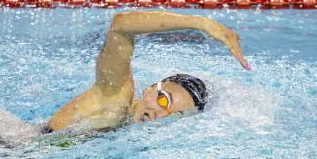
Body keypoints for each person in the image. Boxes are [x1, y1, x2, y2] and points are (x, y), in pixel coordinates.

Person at [47, 11, 250, 132]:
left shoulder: (127, 128)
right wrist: (200, 22)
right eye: (164, 100)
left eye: (174, 115)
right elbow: (120, 26)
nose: (159, 114)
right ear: (150, 89)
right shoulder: (114, 100)